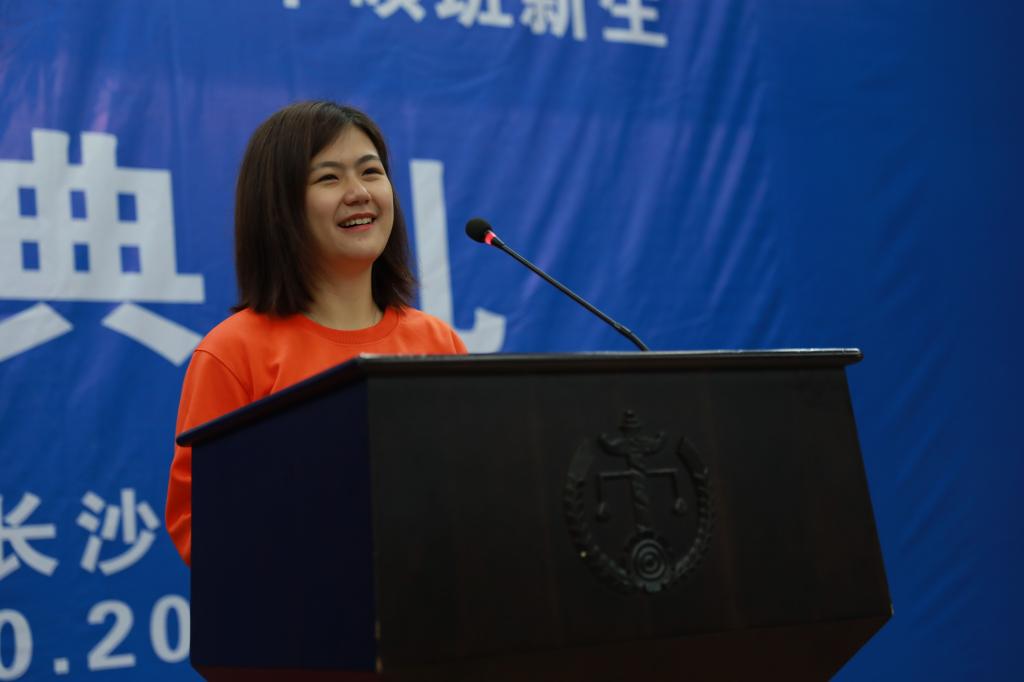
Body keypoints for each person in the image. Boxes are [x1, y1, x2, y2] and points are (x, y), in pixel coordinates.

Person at [165, 101, 467, 566]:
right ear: (278, 208)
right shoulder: (233, 351)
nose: (359, 193)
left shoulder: (437, 343)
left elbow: (469, 488)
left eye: (371, 172)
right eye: (329, 178)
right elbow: (198, 522)